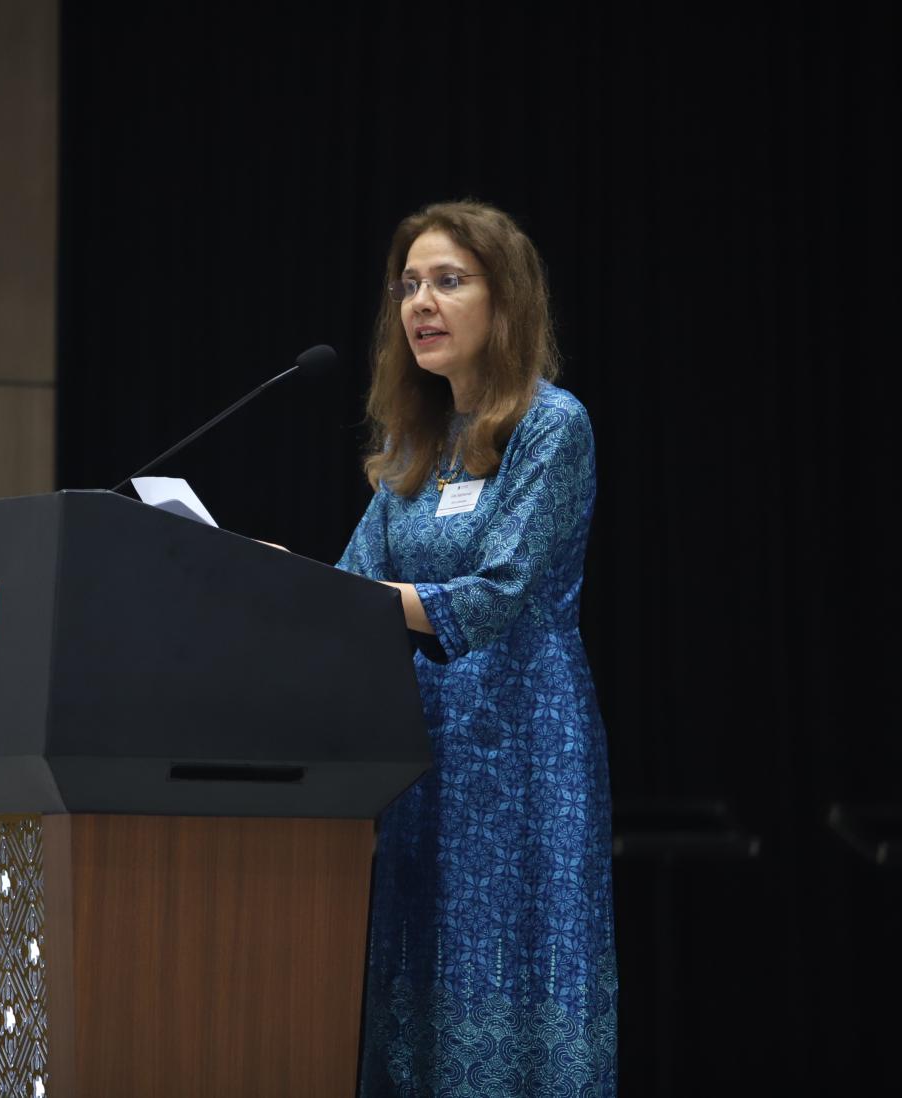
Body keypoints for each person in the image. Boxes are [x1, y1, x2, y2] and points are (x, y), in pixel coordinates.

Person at [336, 200, 616, 1096]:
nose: (422, 302)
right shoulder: (414, 443)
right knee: (419, 970)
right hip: (421, 755)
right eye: (409, 284)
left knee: (512, 979)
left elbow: (494, 598)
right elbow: (350, 586)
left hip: (525, 749)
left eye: (449, 281)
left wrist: (349, 601)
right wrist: (272, 581)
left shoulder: (551, 426)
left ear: (506, 302)